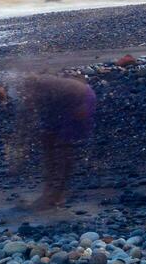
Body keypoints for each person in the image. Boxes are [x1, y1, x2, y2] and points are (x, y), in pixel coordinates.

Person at [6, 72, 96, 209]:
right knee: (48, 142)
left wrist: (21, 144)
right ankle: (49, 189)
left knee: (64, 147)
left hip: (82, 100)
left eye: (22, 92)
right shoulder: (39, 88)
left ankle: (58, 193)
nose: (23, 96)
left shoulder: (41, 88)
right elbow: (39, 116)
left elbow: (31, 116)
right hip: (67, 104)